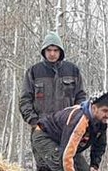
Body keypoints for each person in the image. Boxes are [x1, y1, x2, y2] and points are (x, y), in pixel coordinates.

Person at [31, 91, 108, 171]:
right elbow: (66, 159)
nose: (107, 115)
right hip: (45, 136)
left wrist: (95, 166)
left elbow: (100, 145)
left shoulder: (102, 122)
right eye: (105, 111)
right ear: (94, 108)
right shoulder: (79, 120)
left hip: (64, 143)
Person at [19, 31, 87, 160]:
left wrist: (77, 120)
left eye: (55, 50)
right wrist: (34, 122)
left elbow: (81, 98)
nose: (52, 53)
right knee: (44, 170)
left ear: (60, 51)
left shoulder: (72, 70)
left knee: (69, 167)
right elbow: (25, 100)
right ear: (44, 51)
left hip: (67, 129)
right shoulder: (34, 71)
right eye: (49, 50)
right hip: (42, 129)